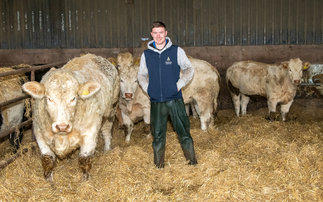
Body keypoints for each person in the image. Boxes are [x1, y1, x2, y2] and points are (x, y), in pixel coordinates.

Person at [137, 21, 198, 168]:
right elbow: (141, 75)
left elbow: (189, 69)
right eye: (155, 33)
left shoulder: (176, 51)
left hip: (174, 100)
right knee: (157, 136)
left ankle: (193, 163)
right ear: (151, 35)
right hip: (156, 101)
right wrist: (148, 88)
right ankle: (159, 166)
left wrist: (178, 85)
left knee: (183, 132)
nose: (158, 36)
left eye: (161, 32)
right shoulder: (146, 54)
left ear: (166, 33)